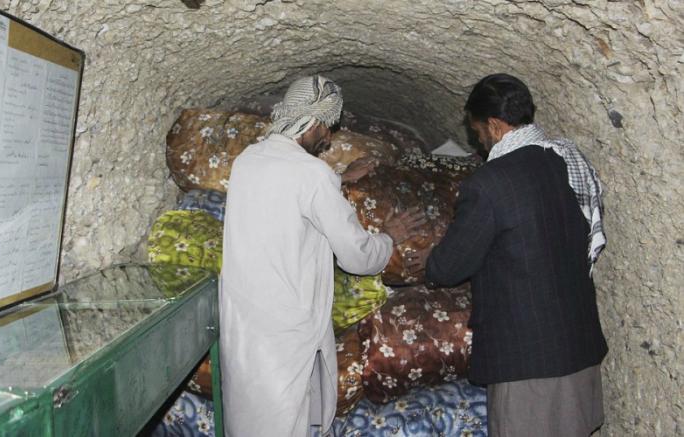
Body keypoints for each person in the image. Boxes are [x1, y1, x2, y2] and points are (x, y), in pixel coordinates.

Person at [219, 75, 425, 437]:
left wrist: (340, 178)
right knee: (284, 423)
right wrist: (389, 237)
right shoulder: (312, 175)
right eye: (327, 127)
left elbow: (283, 194)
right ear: (312, 123)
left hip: (245, 328)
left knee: (247, 419)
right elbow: (357, 257)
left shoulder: (248, 161)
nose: (328, 137)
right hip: (287, 335)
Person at [405, 73, 608, 436]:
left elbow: (452, 265)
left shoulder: (491, 183)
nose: (478, 142)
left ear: (496, 126)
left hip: (529, 360)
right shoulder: (566, 161)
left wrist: (428, 263)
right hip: (578, 348)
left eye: (478, 131)